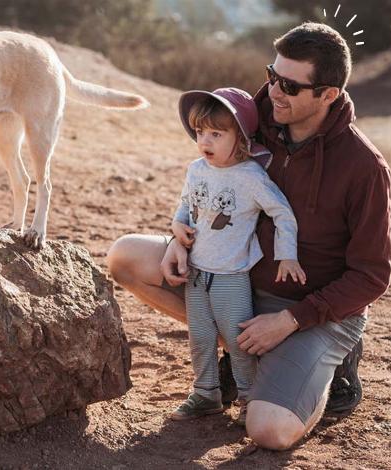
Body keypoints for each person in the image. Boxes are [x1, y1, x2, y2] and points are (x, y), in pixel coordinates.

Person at [107, 22, 391, 449]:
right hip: (233, 281)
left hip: (313, 310)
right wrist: (179, 237)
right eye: (272, 76)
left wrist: (291, 320)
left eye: (291, 87)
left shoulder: (364, 167)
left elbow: (372, 276)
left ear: (328, 94)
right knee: (126, 256)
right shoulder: (251, 123)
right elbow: (208, 187)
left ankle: (333, 364)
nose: (275, 91)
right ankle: (247, 353)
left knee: (269, 431)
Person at [169, 87, 304, 426]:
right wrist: (176, 225)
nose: (205, 141)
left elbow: (283, 214)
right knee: (199, 337)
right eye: (200, 132)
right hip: (196, 273)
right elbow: (187, 203)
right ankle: (206, 394)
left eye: (216, 133)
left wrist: (287, 255)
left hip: (231, 276)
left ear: (241, 137)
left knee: (237, 341)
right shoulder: (196, 169)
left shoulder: (252, 177)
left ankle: (247, 397)